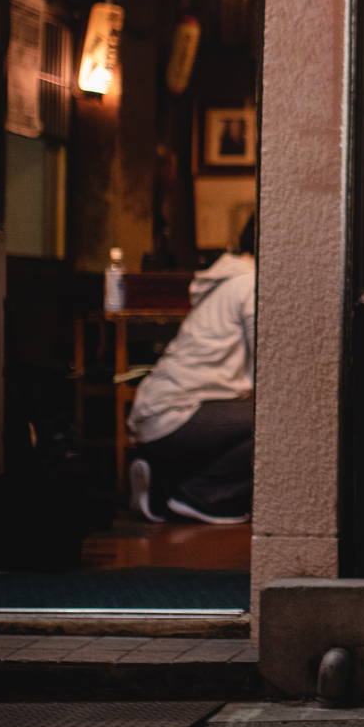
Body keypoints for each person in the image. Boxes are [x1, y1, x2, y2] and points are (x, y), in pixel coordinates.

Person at [127, 217, 257, 525]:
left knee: (258, 417)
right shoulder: (251, 284)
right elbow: (271, 361)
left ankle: (160, 486)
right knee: (280, 421)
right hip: (177, 415)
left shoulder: (228, 281)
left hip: (156, 412)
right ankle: (200, 496)